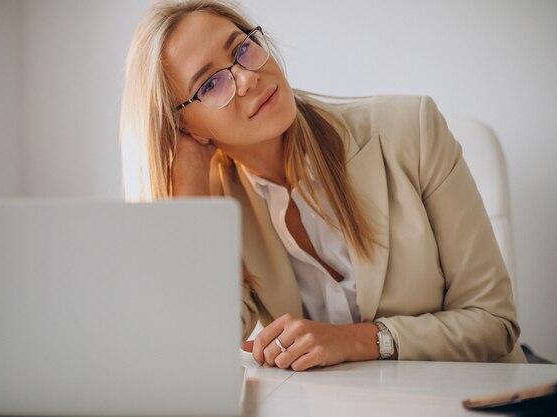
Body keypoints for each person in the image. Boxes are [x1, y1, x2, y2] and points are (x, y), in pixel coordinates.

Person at [119, 0, 527, 370]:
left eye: (241, 48)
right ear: (185, 126)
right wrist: (187, 178)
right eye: (209, 85)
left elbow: (493, 323)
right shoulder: (221, 205)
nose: (246, 78)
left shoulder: (412, 130)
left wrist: (355, 341)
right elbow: (195, 345)